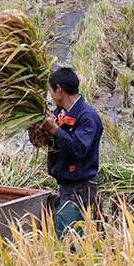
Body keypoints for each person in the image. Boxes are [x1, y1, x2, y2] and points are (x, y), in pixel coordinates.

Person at [36, 67, 103, 239]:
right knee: (64, 233)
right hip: (66, 185)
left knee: (70, 239)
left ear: (59, 89)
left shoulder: (87, 117)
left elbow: (79, 149)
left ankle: (73, 265)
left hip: (80, 187)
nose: (50, 95)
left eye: (51, 90)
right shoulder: (60, 113)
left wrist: (55, 129)